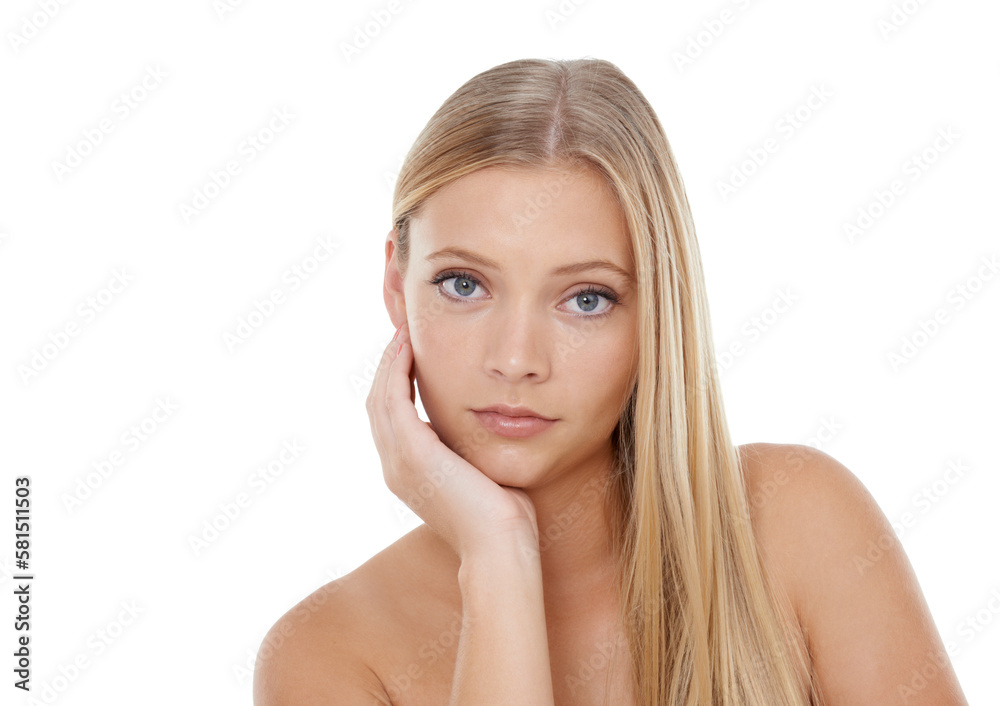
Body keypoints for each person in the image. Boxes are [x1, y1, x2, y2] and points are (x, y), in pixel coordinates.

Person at [253, 57, 968, 705]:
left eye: (585, 298)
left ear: (657, 311)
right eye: (464, 284)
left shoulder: (799, 523)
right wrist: (498, 555)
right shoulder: (325, 655)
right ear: (395, 283)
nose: (516, 358)